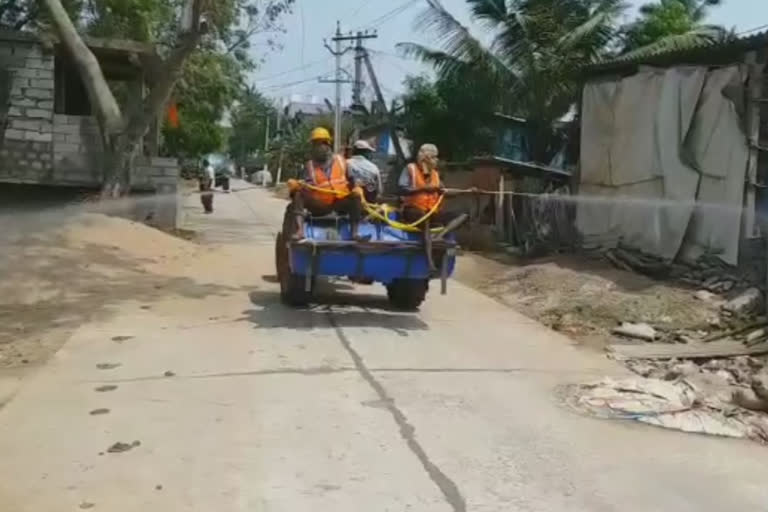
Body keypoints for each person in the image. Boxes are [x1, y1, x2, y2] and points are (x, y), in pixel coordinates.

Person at [287, 127, 364, 240]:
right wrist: (298, 187)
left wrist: (357, 188)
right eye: (316, 144)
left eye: (322, 143)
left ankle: (355, 233)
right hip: (319, 205)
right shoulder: (309, 166)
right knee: (299, 195)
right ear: (312, 147)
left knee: (356, 197)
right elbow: (305, 185)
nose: (319, 147)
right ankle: (300, 231)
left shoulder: (341, 161)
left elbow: (352, 179)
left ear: (328, 144)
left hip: (339, 202)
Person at [398, 143, 451, 226]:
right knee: (423, 217)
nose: (437, 160)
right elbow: (402, 189)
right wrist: (423, 189)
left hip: (432, 211)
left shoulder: (435, 174)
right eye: (434, 157)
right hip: (412, 210)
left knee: (457, 216)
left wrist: (467, 191)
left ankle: (441, 235)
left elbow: (443, 191)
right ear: (426, 158)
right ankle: (427, 238)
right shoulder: (411, 168)